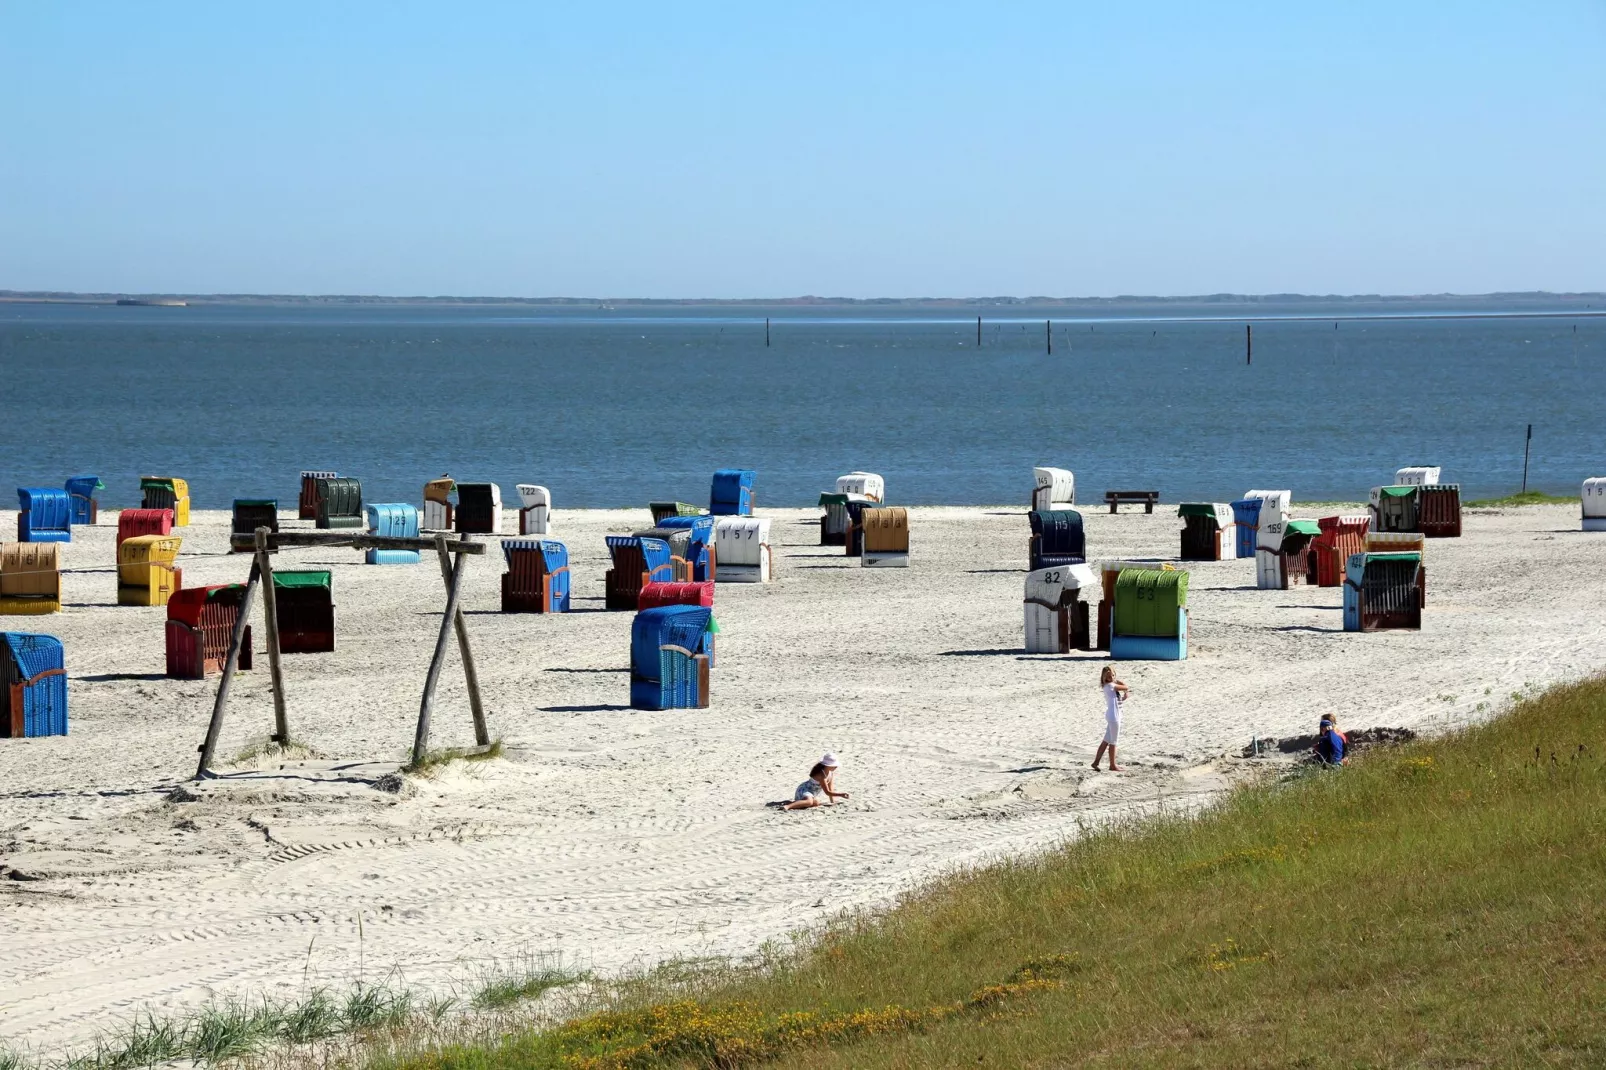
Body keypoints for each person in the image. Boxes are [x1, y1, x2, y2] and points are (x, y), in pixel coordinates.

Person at [1093, 667, 1129, 771]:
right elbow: (1125, 686)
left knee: (1106, 741)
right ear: (1104, 677)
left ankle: (1096, 762)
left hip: (1112, 715)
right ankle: (1112, 765)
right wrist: (1117, 680)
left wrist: (1124, 698)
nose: (1111, 677)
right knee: (1114, 742)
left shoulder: (1108, 687)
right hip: (1114, 717)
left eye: (1113, 675)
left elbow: (1116, 700)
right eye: (1108, 676)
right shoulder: (1111, 685)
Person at [783, 753, 850, 810]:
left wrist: (832, 802)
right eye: (833, 765)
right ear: (826, 765)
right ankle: (788, 806)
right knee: (809, 802)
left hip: (812, 794)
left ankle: (798, 803)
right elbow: (827, 792)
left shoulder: (830, 773)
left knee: (816, 803)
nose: (836, 766)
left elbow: (830, 789)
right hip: (804, 790)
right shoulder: (821, 775)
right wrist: (841, 794)